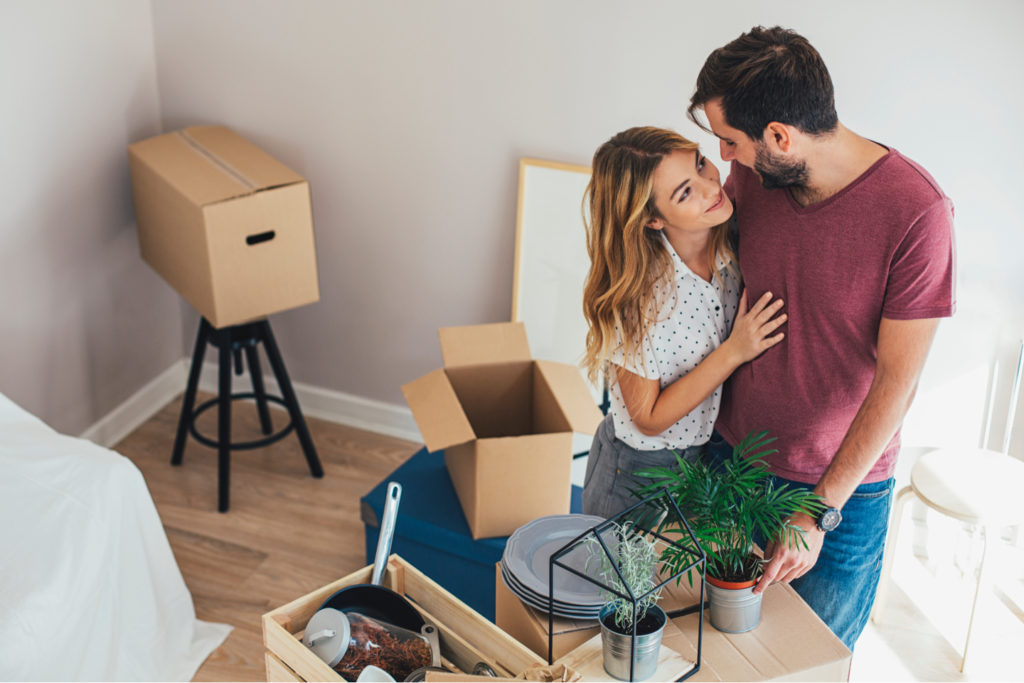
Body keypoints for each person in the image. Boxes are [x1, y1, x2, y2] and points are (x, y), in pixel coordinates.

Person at [688, 26, 956, 650]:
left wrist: (818, 511)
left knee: (809, 659)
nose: (726, 158)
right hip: (733, 457)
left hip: (839, 494)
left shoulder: (917, 213)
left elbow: (899, 381)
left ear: (779, 137)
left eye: (730, 142)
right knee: (718, 649)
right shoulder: (757, 180)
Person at [579, 126, 787, 520]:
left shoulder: (732, 243)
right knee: (621, 580)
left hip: (703, 460)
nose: (711, 187)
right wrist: (735, 351)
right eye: (685, 192)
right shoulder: (641, 299)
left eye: (700, 164)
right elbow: (649, 418)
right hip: (637, 472)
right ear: (653, 220)